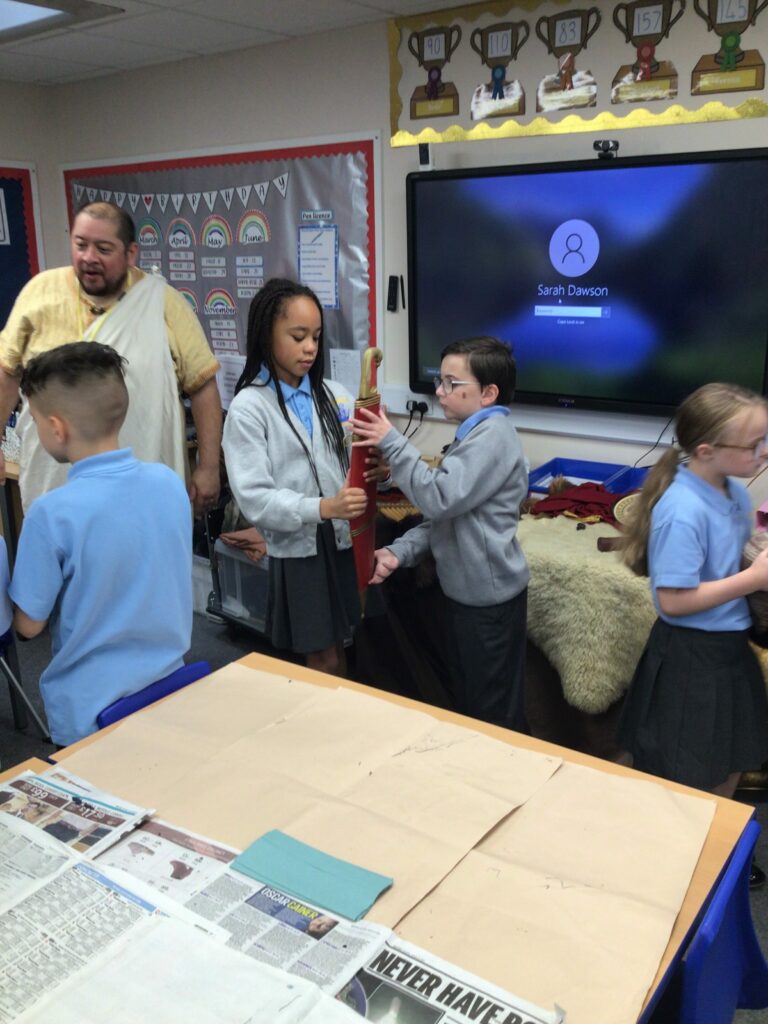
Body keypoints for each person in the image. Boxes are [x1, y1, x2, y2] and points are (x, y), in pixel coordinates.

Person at [618, 382, 768, 887]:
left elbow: (727, 559)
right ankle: (680, 871)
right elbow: (674, 602)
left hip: (728, 650)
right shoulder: (681, 510)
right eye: (754, 444)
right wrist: (754, 579)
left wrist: (754, 553)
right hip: (691, 658)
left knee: (730, 759)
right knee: (690, 775)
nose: (764, 453)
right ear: (707, 450)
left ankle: (713, 854)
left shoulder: (731, 490)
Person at [9, 342, 193, 747]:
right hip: (171, 689)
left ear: (57, 428)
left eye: (34, 421)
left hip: (91, 712)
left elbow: (28, 626)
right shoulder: (168, 482)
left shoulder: (50, 514)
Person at [349, 336, 529, 733]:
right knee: (473, 703)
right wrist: (399, 552)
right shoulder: (474, 433)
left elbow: (440, 499)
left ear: (488, 393)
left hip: (488, 606)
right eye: (440, 380)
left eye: (451, 383)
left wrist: (393, 442)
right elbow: (450, 520)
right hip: (468, 600)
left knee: (493, 716)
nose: (440, 391)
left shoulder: (493, 437)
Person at [0, 200, 222, 516]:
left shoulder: (161, 303)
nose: (89, 257)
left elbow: (203, 385)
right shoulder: (40, 292)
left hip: (141, 490)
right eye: (81, 245)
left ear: (130, 253)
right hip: (53, 486)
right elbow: (7, 373)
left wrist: (208, 467)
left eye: (103, 249)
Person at [222, 278, 376, 677]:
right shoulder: (249, 408)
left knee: (343, 642)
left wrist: (378, 465)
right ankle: (328, 715)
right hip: (299, 548)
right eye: (298, 336)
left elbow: (355, 458)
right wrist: (323, 507)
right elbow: (255, 498)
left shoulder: (333, 394)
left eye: (316, 337)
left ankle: (344, 709)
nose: (310, 347)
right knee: (320, 655)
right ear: (266, 335)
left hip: (339, 538)